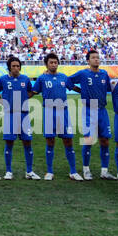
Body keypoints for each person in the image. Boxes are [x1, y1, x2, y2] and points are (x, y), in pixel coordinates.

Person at [67, 49, 113, 179]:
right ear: (88, 61)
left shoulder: (104, 74)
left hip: (102, 110)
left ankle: (104, 171)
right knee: (88, 140)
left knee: (105, 140)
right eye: (93, 57)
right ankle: (86, 169)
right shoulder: (83, 73)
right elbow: (68, 81)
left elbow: (109, 88)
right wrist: (80, 90)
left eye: (98, 57)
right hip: (89, 109)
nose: (96, 59)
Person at [34, 53, 80, 181]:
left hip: (63, 112)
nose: (53, 64)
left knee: (68, 141)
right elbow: (34, 91)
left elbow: (74, 87)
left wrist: (86, 92)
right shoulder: (42, 78)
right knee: (50, 141)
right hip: (49, 111)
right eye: (51, 62)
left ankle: (73, 171)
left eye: (55, 62)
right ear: (46, 64)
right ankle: (49, 171)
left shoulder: (64, 77)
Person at [0, 56, 37, 180]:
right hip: (10, 115)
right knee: (9, 142)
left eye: (18, 66)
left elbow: (31, 92)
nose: (16, 68)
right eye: (13, 66)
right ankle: (8, 171)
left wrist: (24, 99)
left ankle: (29, 171)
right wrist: (2, 102)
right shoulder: (3, 79)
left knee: (27, 142)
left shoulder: (25, 79)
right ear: (9, 67)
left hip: (24, 114)